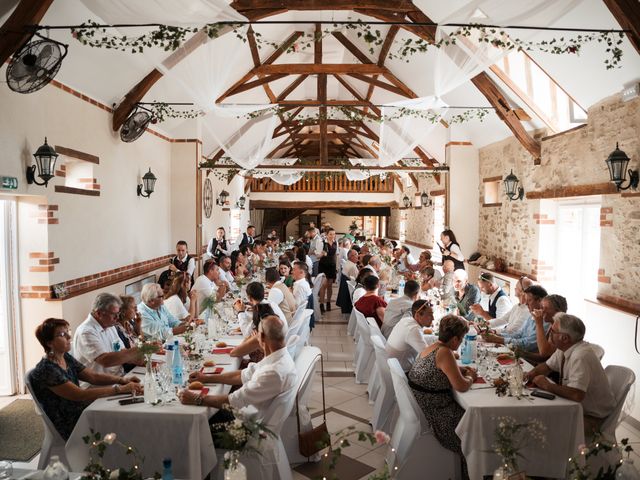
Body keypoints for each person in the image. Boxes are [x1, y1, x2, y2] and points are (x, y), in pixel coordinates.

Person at [30, 318, 143, 440]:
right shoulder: (47, 369)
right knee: (125, 421)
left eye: (68, 332)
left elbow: (92, 376)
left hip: (81, 410)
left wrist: (122, 380)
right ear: (49, 343)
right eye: (62, 334)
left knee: (129, 413)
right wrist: (120, 389)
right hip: (70, 421)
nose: (68, 337)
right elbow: (80, 395)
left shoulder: (65, 356)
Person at [179, 315, 297, 423]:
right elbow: (243, 375)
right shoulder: (278, 358)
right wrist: (207, 378)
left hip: (251, 425)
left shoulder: (273, 372)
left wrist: (196, 399)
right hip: (254, 413)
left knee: (194, 418)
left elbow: (233, 401)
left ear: (261, 337)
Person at [525, 313, 615, 440]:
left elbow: (577, 395)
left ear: (565, 338)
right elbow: (547, 366)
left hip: (593, 418)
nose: (549, 331)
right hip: (577, 408)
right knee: (535, 415)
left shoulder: (581, 356)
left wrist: (547, 385)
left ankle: (549, 457)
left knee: (540, 423)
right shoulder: (564, 348)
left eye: (553, 330)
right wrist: (531, 374)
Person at [408, 314, 476, 479]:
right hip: (439, 418)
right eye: (461, 339)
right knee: (477, 430)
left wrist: (459, 370)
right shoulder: (445, 353)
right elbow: (461, 386)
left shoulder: (432, 348)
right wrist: (471, 378)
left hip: (427, 407)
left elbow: (439, 370)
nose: (460, 343)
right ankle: (474, 473)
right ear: (454, 339)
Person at [72, 293, 141, 382]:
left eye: (118, 313)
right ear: (99, 313)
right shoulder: (86, 332)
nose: (117, 318)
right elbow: (106, 360)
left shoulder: (110, 325)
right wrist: (142, 349)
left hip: (119, 378)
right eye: (114, 314)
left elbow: (121, 351)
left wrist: (143, 360)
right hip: (97, 386)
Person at [482, 285, 548, 352]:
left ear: (540, 301)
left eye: (529, 300)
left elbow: (527, 344)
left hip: (528, 357)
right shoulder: (531, 315)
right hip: (517, 350)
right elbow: (519, 334)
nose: (526, 304)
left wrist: (498, 339)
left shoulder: (545, 321)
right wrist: (496, 334)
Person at [386, 300, 437, 371]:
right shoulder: (413, 329)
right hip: (403, 372)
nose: (433, 318)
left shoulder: (407, 320)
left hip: (393, 367)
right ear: (418, 315)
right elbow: (428, 357)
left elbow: (420, 338)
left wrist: (437, 339)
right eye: (429, 314)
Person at [519, 294, 568, 364]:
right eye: (542, 307)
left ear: (558, 312)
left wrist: (539, 323)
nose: (542, 311)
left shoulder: (562, 329)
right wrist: (521, 353)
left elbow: (544, 352)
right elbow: (544, 358)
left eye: (546, 308)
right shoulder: (552, 325)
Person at [318, 228, 338, 314]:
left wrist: (336, 267)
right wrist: (322, 254)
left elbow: (335, 256)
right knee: (323, 285)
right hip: (323, 265)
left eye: (333, 234)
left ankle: (328, 302)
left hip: (332, 266)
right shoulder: (322, 243)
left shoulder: (335, 243)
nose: (332, 236)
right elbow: (318, 256)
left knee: (329, 285)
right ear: (327, 234)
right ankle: (321, 304)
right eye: (330, 234)